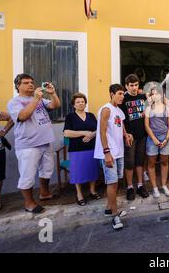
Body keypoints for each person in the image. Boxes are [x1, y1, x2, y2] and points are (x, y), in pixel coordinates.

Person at [7, 74, 60, 214]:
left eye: (31, 82)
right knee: (27, 175)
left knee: (47, 170)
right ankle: (29, 203)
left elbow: (55, 105)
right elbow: (23, 116)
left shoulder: (39, 99)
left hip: (46, 141)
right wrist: (36, 99)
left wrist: (53, 94)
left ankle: (44, 193)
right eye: (26, 83)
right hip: (28, 145)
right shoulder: (14, 102)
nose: (30, 84)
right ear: (18, 86)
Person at [94, 84, 132, 230]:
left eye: (123, 94)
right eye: (119, 93)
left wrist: (126, 135)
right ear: (111, 94)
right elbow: (102, 132)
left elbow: (121, 125)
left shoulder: (118, 110)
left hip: (119, 151)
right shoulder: (106, 109)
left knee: (116, 181)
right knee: (111, 182)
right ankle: (115, 215)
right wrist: (106, 152)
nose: (122, 96)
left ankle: (109, 208)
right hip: (108, 152)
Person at [63, 93, 100, 206]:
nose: (81, 103)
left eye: (82, 101)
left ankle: (92, 191)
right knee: (77, 172)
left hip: (92, 148)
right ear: (74, 105)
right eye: (78, 102)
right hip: (77, 150)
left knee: (92, 170)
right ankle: (79, 194)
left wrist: (92, 134)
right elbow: (67, 132)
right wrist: (83, 133)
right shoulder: (70, 117)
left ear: (85, 103)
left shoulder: (91, 115)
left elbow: (99, 129)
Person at [119, 74, 149, 201]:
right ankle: (130, 187)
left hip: (142, 135)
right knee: (130, 163)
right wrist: (125, 134)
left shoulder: (143, 97)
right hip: (129, 137)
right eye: (131, 85)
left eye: (136, 85)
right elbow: (120, 119)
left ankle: (140, 185)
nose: (134, 88)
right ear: (126, 86)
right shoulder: (123, 99)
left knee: (140, 161)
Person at [144, 87, 169, 198]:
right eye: (153, 94)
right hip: (152, 138)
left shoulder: (167, 108)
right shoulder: (148, 108)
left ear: (161, 95)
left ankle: (164, 185)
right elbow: (146, 125)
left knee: (164, 162)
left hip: (165, 137)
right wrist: (154, 139)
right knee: (151, 163)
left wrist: (166, 139)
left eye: (157, 94)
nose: (155, 96)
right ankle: (155, 187)